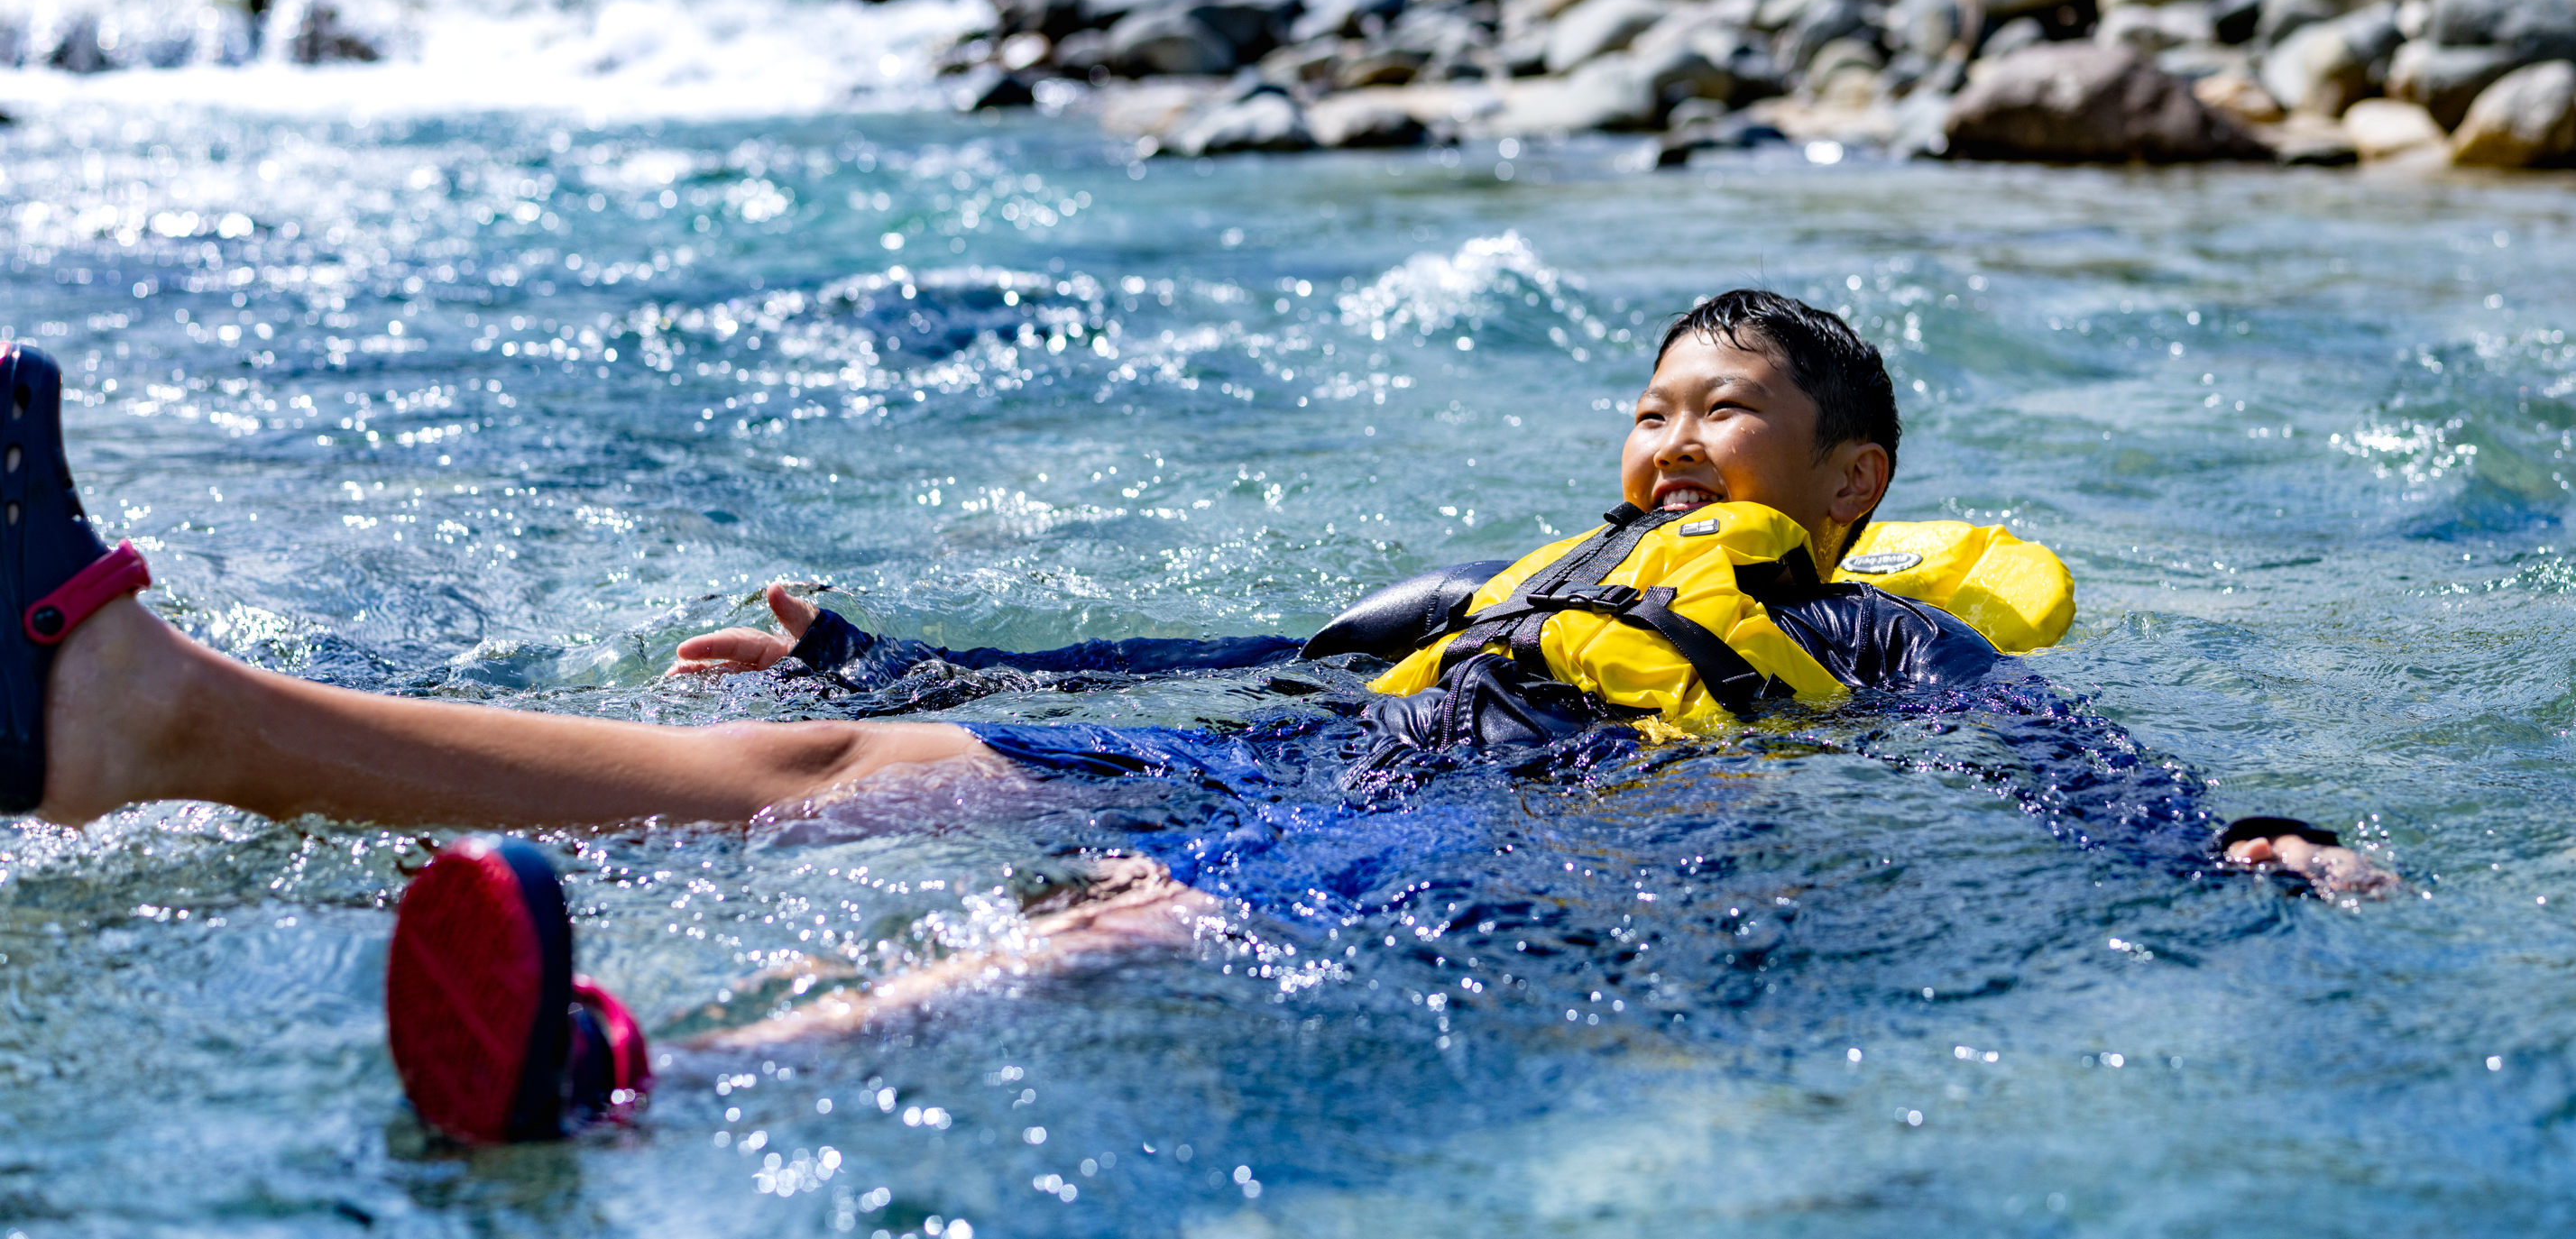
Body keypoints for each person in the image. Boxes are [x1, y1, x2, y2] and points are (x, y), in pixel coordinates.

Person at [0, 293, 2394, 1143]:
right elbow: (1215, 659)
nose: (1668, 444)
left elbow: (2047, 755)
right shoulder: (1497, 585)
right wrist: (898, 669)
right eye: (1654, 407)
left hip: (1518, 840)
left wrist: (2230, 840)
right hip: (1322, 751)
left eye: (1729, 415)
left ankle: (642, 1082)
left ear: (1851, 481)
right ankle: (147, 701)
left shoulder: (1872, 633)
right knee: (807, 782)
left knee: (1133, 909)